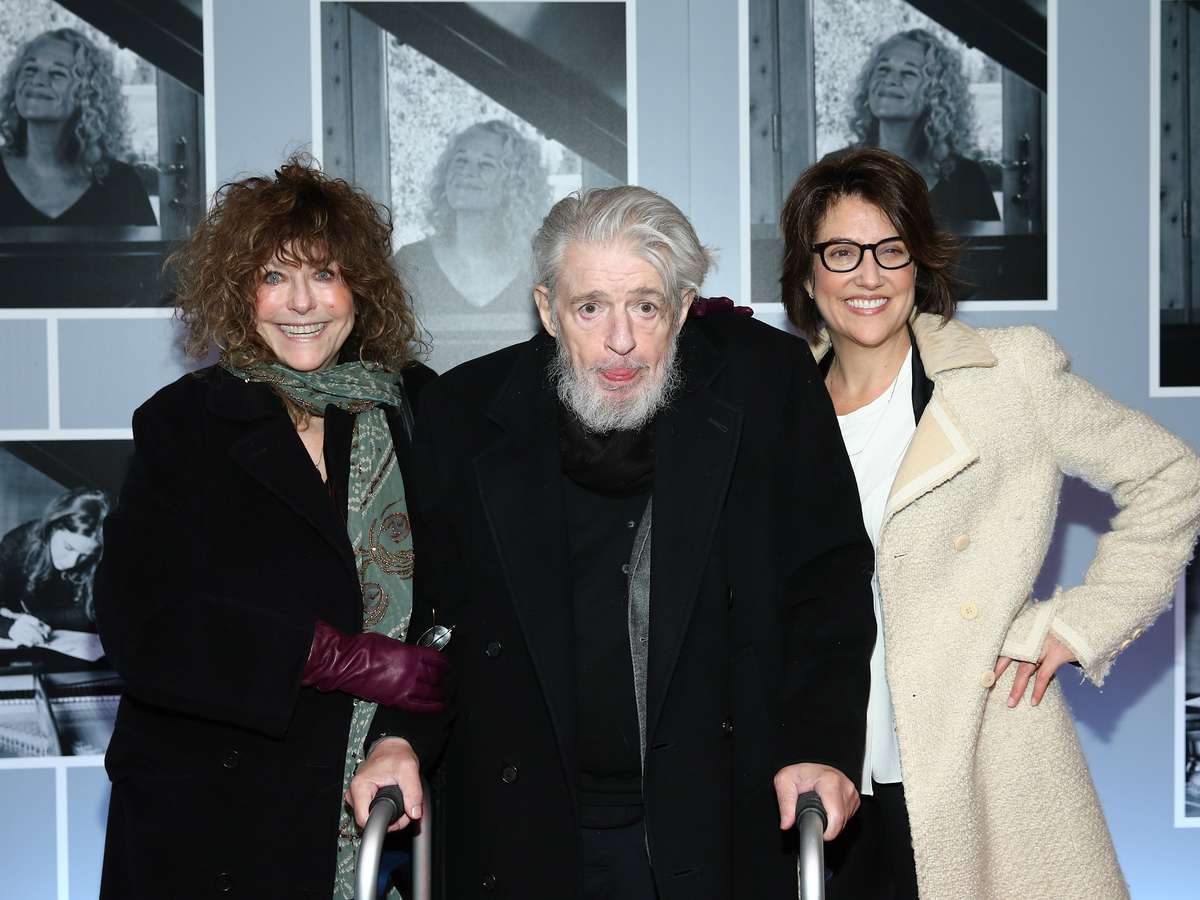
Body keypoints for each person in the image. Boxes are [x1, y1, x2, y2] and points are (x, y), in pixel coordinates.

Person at [351, 185, 877, 899]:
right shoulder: (465, 413)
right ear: (547, 310)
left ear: (684, 308)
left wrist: (820, 746)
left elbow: (826, 585)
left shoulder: (767, 386)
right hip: (529, 817)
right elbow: (438, 614)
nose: (620, 339)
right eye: (590, 307)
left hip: (717, 812)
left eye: (646, 307)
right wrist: (397, 738)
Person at [780, 147, 1200, 899]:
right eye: (841, 252)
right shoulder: (773, 407)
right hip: (816, 770)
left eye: (890, 250)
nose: (868, 275)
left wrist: (1080, 623)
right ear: (808, 276)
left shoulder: (1005, 378)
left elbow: (1171, 476)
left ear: (918, 264)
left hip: (976, 758)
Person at [93, 159, 449, 899]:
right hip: (212, 819)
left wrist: (399, 733)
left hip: (377, 804)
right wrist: (330, 658)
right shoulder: (184, 424)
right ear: (237, 293)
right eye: (273, 277)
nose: (301, 303)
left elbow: (461, 596)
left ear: (360, 287)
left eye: (324, 274)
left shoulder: (416, 408)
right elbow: (142, 622)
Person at [840, 28, 998, 225]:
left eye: (908, 73)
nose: (890, 80)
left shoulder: (968, 179)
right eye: (883, 69)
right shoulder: (836, 170)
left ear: (936, 93)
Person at [395, 119, 551, 319]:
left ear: (514, 185)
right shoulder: (410, 262)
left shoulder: (535, 269)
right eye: (461, 160)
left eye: (486, 164)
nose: (468, 172)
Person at [0, 27, 155, 227]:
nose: (37, 81)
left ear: (87, 93)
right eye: (30, 69)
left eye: (57, 73)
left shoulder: (123, 183)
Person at [0, 487, 108, 646]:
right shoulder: (17, 544)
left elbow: (99, 615)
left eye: (86, 555)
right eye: (68, 547)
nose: (71, 562)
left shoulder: (106, 558)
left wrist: (36, 619)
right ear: (52, 528)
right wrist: (8, 626)